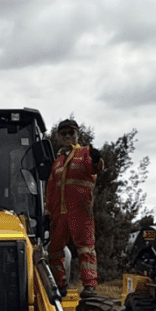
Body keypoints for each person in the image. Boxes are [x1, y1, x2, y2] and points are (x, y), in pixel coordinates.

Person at [46, 119, 103, 298]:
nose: (67, 136)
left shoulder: (85, 153)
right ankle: (60, 285)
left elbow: (95, 168)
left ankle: (90, 286)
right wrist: (48, 211)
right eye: (63, 134)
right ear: (58, 136)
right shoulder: (58, 162)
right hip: (59, 213)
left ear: (78, 134)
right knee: (54, 251)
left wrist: (96, 159)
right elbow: (51, 188)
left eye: (71, 133)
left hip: (80, 211)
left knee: (86, 248)